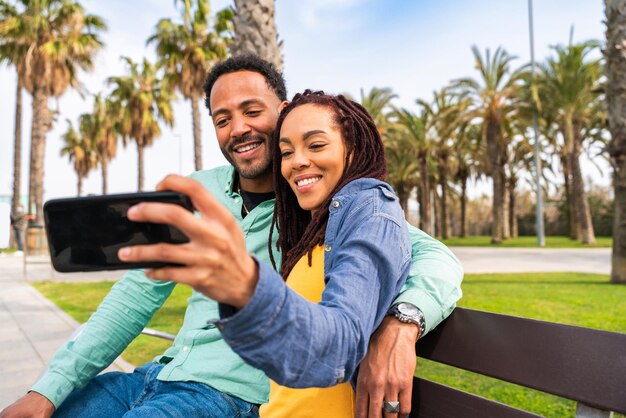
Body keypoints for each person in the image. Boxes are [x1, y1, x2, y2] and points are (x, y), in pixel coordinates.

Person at [0, 54, 462, 418]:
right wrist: (48, 388)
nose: (237, 127)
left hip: (226, 398)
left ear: (284, 113)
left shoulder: (318, 203)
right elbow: (132, 299)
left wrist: (401, 324)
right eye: (222, 119)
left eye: (251, 111)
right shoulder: (199, 191)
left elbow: (434, 257)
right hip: (156, 375)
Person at [121, 90, 412, 417]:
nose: (297, 161)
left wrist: (247, 286)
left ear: (354, 149)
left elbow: (338, 347)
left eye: (316, 145)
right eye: (286, 152)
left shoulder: (370, 207)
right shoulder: (314, 225)